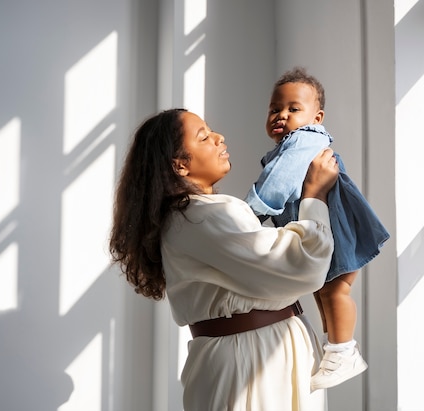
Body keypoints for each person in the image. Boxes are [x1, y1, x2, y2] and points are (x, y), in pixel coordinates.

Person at [110, 108, 339, 410]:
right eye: (204, 137)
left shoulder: (196, 214)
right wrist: (314, 197)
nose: (219, 138)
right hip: (248, 362)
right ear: (180, 165)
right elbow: (300, 265)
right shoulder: (199, 217)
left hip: (261, 355)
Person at [245, 67, 390, 391]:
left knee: (336, 291)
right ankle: (334, 349)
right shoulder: (286, 147)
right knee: (324, 292)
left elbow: (276, 185)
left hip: (338, 233)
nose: (281, 115)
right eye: (274, 109)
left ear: (316, 116)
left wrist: (249, 215)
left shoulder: (305, 139)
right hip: (323, 232)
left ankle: (344, 351)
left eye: (293, 109)